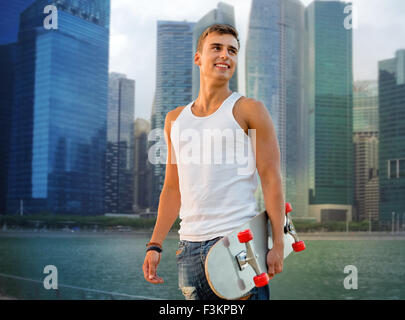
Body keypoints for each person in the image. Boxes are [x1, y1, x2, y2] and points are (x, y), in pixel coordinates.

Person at [142, 24, 285, 300]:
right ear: (198, 57)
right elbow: (172, 188)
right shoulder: (174, 120)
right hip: (188, 251)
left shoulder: (249, 110)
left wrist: (277, 242)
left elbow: (271, 177)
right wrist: (155, 244)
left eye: (232, 50)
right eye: (217, 48)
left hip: (237, 245)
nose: (225, 55)